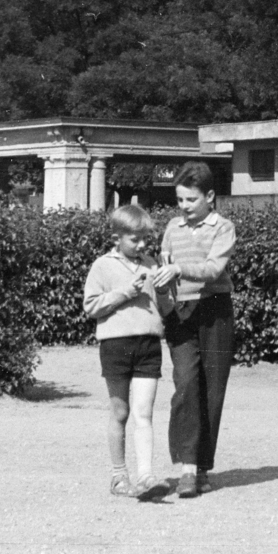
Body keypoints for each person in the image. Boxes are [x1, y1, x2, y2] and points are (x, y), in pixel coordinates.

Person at [150, 161, 235, 499]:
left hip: (215, 312)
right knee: (185, 384)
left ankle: (200, 467)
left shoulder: (223, 227)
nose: (183, 207)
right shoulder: (172, 227)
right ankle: (187, 466)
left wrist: (176, 269)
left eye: (190, 200)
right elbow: (163, 266)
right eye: (179, 200)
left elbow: (214, 269)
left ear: (210, 197)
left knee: (211, 391)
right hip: (180, 314)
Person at [82, 203, 172, 500]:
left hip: (148, 345)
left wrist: (162, 291)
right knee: (120, 411)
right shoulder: (102, 266)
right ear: (116, 237)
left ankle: (146, 476)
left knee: (143, 412)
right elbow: (91, 306)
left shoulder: (151, 264)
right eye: (135, 239)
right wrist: (124, 294)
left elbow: (167, 310)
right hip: (115, 344)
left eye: (145, 238)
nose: (142, 244)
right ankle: (119, 476)